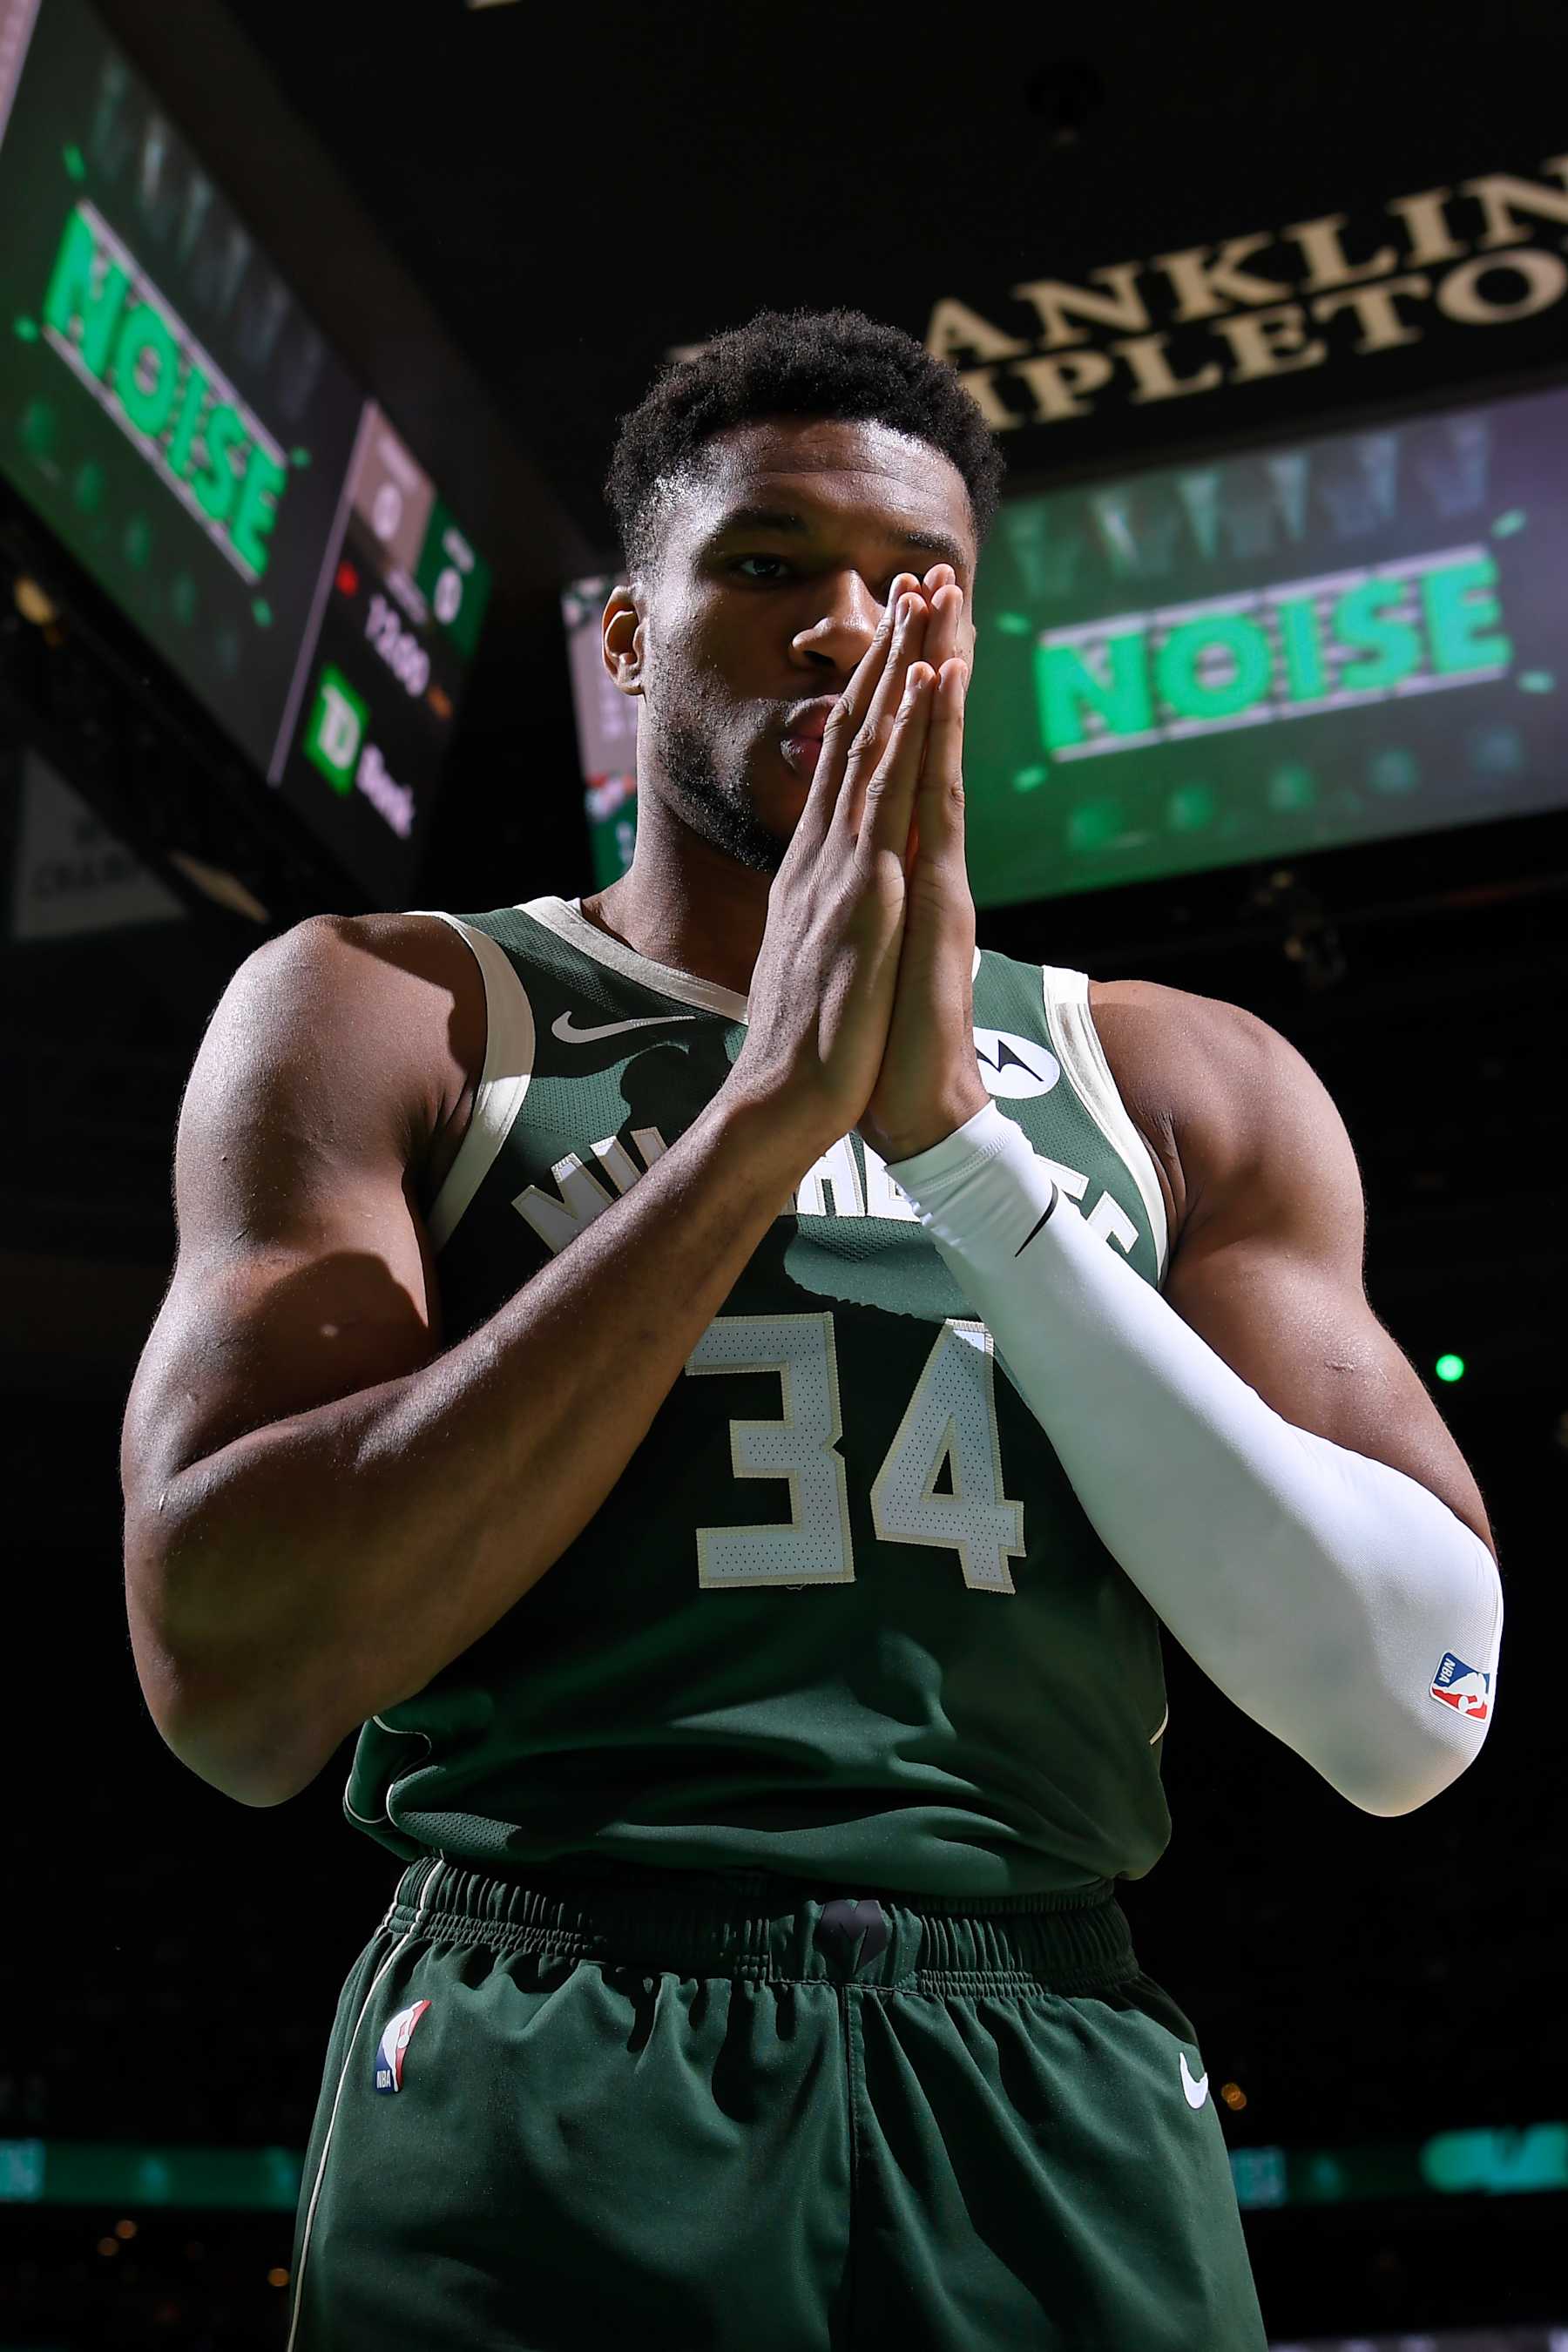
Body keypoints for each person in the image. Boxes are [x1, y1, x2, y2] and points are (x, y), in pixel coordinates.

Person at [120, 307, 1503, 2351]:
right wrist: (761, 1123)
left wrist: (962, 1159)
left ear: (965, 651)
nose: (844, 629)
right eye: (766, 564)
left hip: (1044, 2023)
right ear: (628, 637)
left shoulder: (1178, 1080)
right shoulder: (395, 1008)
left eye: (911, 585)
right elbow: (229, 1681)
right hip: (560, 2007)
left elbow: (1422, 1709)